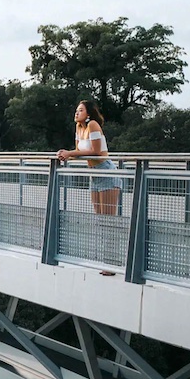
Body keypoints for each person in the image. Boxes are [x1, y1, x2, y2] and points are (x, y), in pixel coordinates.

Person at [56, 100, 122, 275]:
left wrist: (70, 154)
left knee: (109, 221)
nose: (77, 113)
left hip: (106, 172)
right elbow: (80, 150)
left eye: (80, 110)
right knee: (100, 220)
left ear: (89, 113)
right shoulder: (79, 128)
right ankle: (105, 261)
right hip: (94, 174)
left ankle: (111, 264)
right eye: (76, 110)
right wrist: (66, 154)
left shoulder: (93, 125)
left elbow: (96, 151)